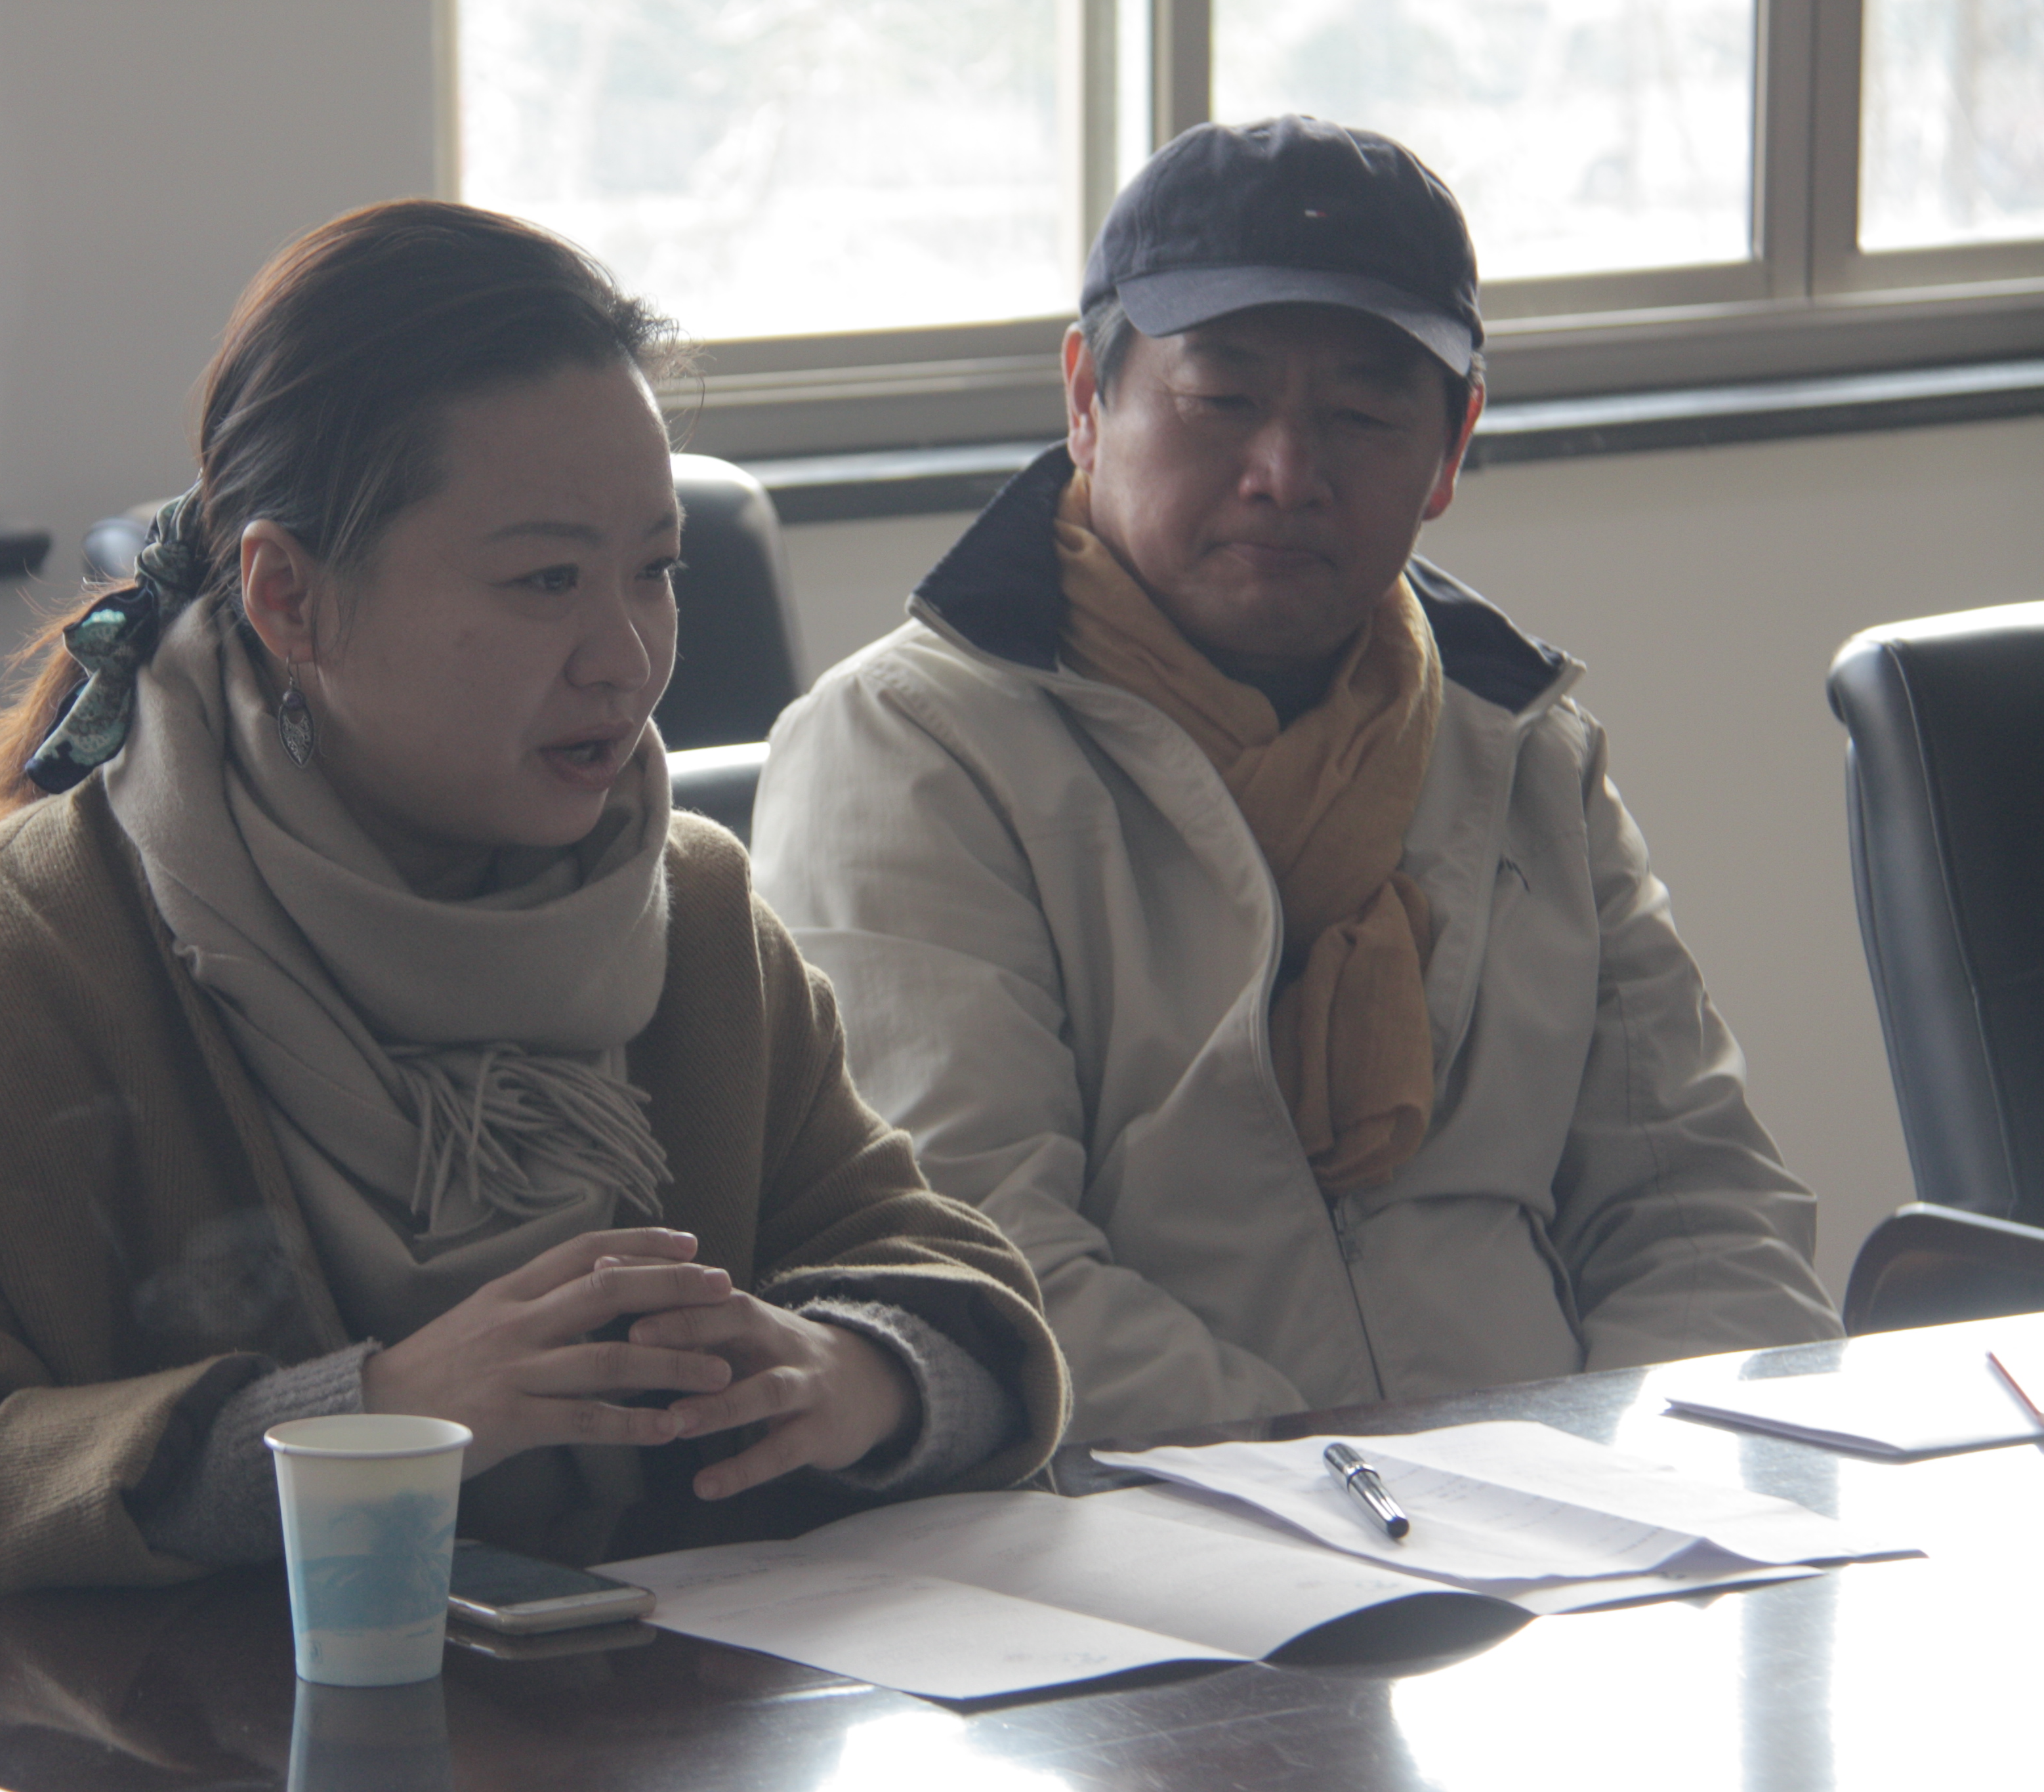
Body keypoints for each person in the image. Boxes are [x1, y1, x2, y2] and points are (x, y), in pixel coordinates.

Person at [0, 200, 1066, 1616]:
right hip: (212, 1746)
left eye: (656, 570)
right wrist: (363, 1425)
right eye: (546, 579)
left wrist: (849, 1373)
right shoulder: (18, 966)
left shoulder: (694, 915)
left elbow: (948, 1289)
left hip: (657, 1724)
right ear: (290, 598)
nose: (626, 657)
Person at [751, 117, 1840, 1449]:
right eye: (1222, 400)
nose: (1285, 474)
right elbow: (979, 1265)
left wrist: (1669, 1478)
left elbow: (1699, 1206)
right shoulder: (911, 750)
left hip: (1558, 1519)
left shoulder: (1522, 749)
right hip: (1144, 1520)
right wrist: (1368, 1490)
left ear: (1452, 449)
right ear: (1087, 397)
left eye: (1364, 415)